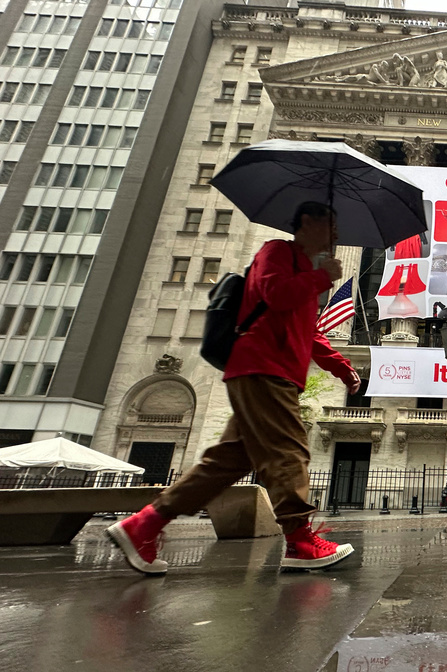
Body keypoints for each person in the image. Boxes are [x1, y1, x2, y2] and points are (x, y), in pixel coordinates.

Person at [107, 202, 362, 575]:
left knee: (228, 460)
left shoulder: (306, 270)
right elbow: (274, 294)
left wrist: (342, 367)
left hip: (275, 373)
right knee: (290, 451)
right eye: (332, 225)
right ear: (307, 221)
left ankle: (143, 525)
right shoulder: (275, 252)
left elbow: (308, 332)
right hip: (262, 368)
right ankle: (300, 540)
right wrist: (322, 278)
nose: (337, 234)